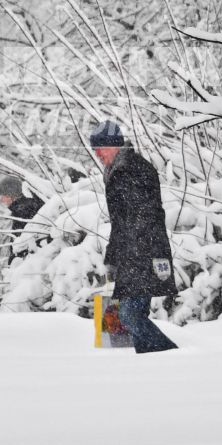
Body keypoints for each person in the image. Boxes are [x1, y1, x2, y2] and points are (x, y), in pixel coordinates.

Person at [88, 120, 179, 353]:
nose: (97, 154)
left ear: (115, 145)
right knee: (132, 315)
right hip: (134, 253)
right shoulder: (119, 169)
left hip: (143, 252)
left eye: (101, 148)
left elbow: (140, 218)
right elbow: (122, 221)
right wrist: (113, 257)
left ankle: (173, 356)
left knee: (128, 315)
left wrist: (127, 254)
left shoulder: (132, 169)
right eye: (95, 150)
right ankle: (151, 363)